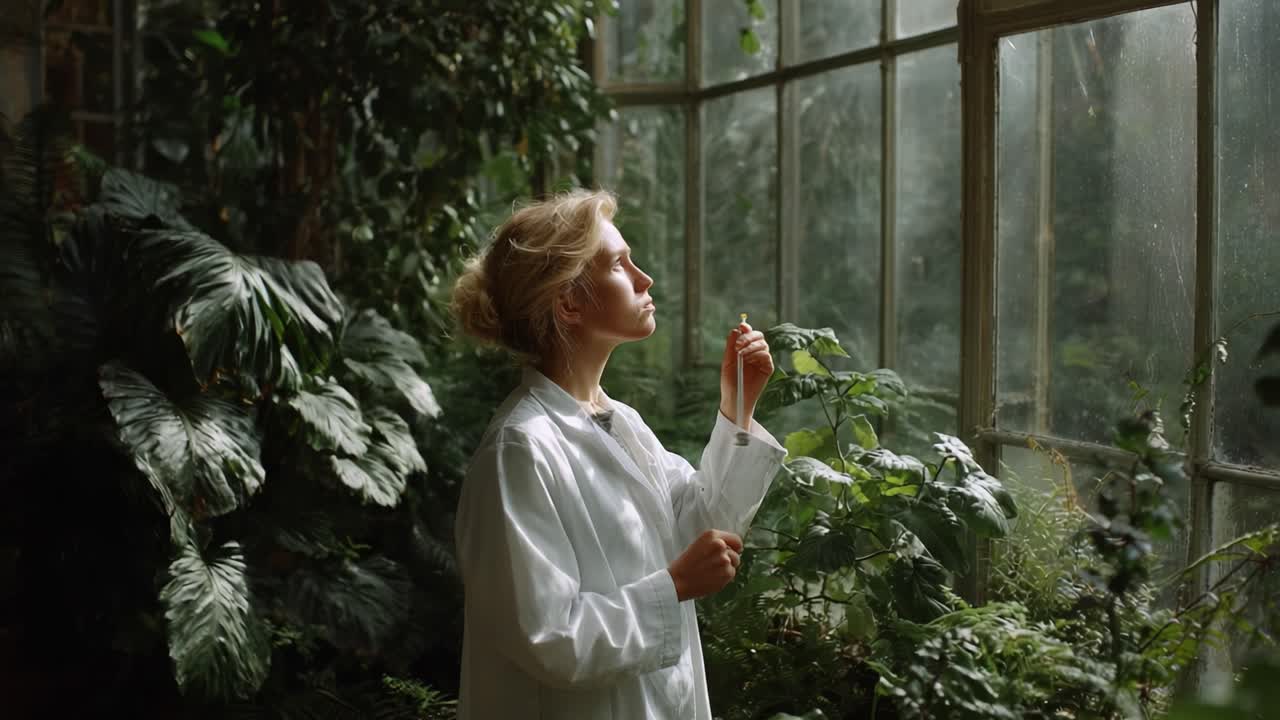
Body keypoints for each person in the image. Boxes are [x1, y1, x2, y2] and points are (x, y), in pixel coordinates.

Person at [449, 188, 786, 719]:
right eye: (619, 264)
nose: (644, 278)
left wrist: (738, 408)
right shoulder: (519, 450)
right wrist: (673, 586)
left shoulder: (619, 422)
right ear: (568, 303)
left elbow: (707, 526)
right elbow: (548, 638)